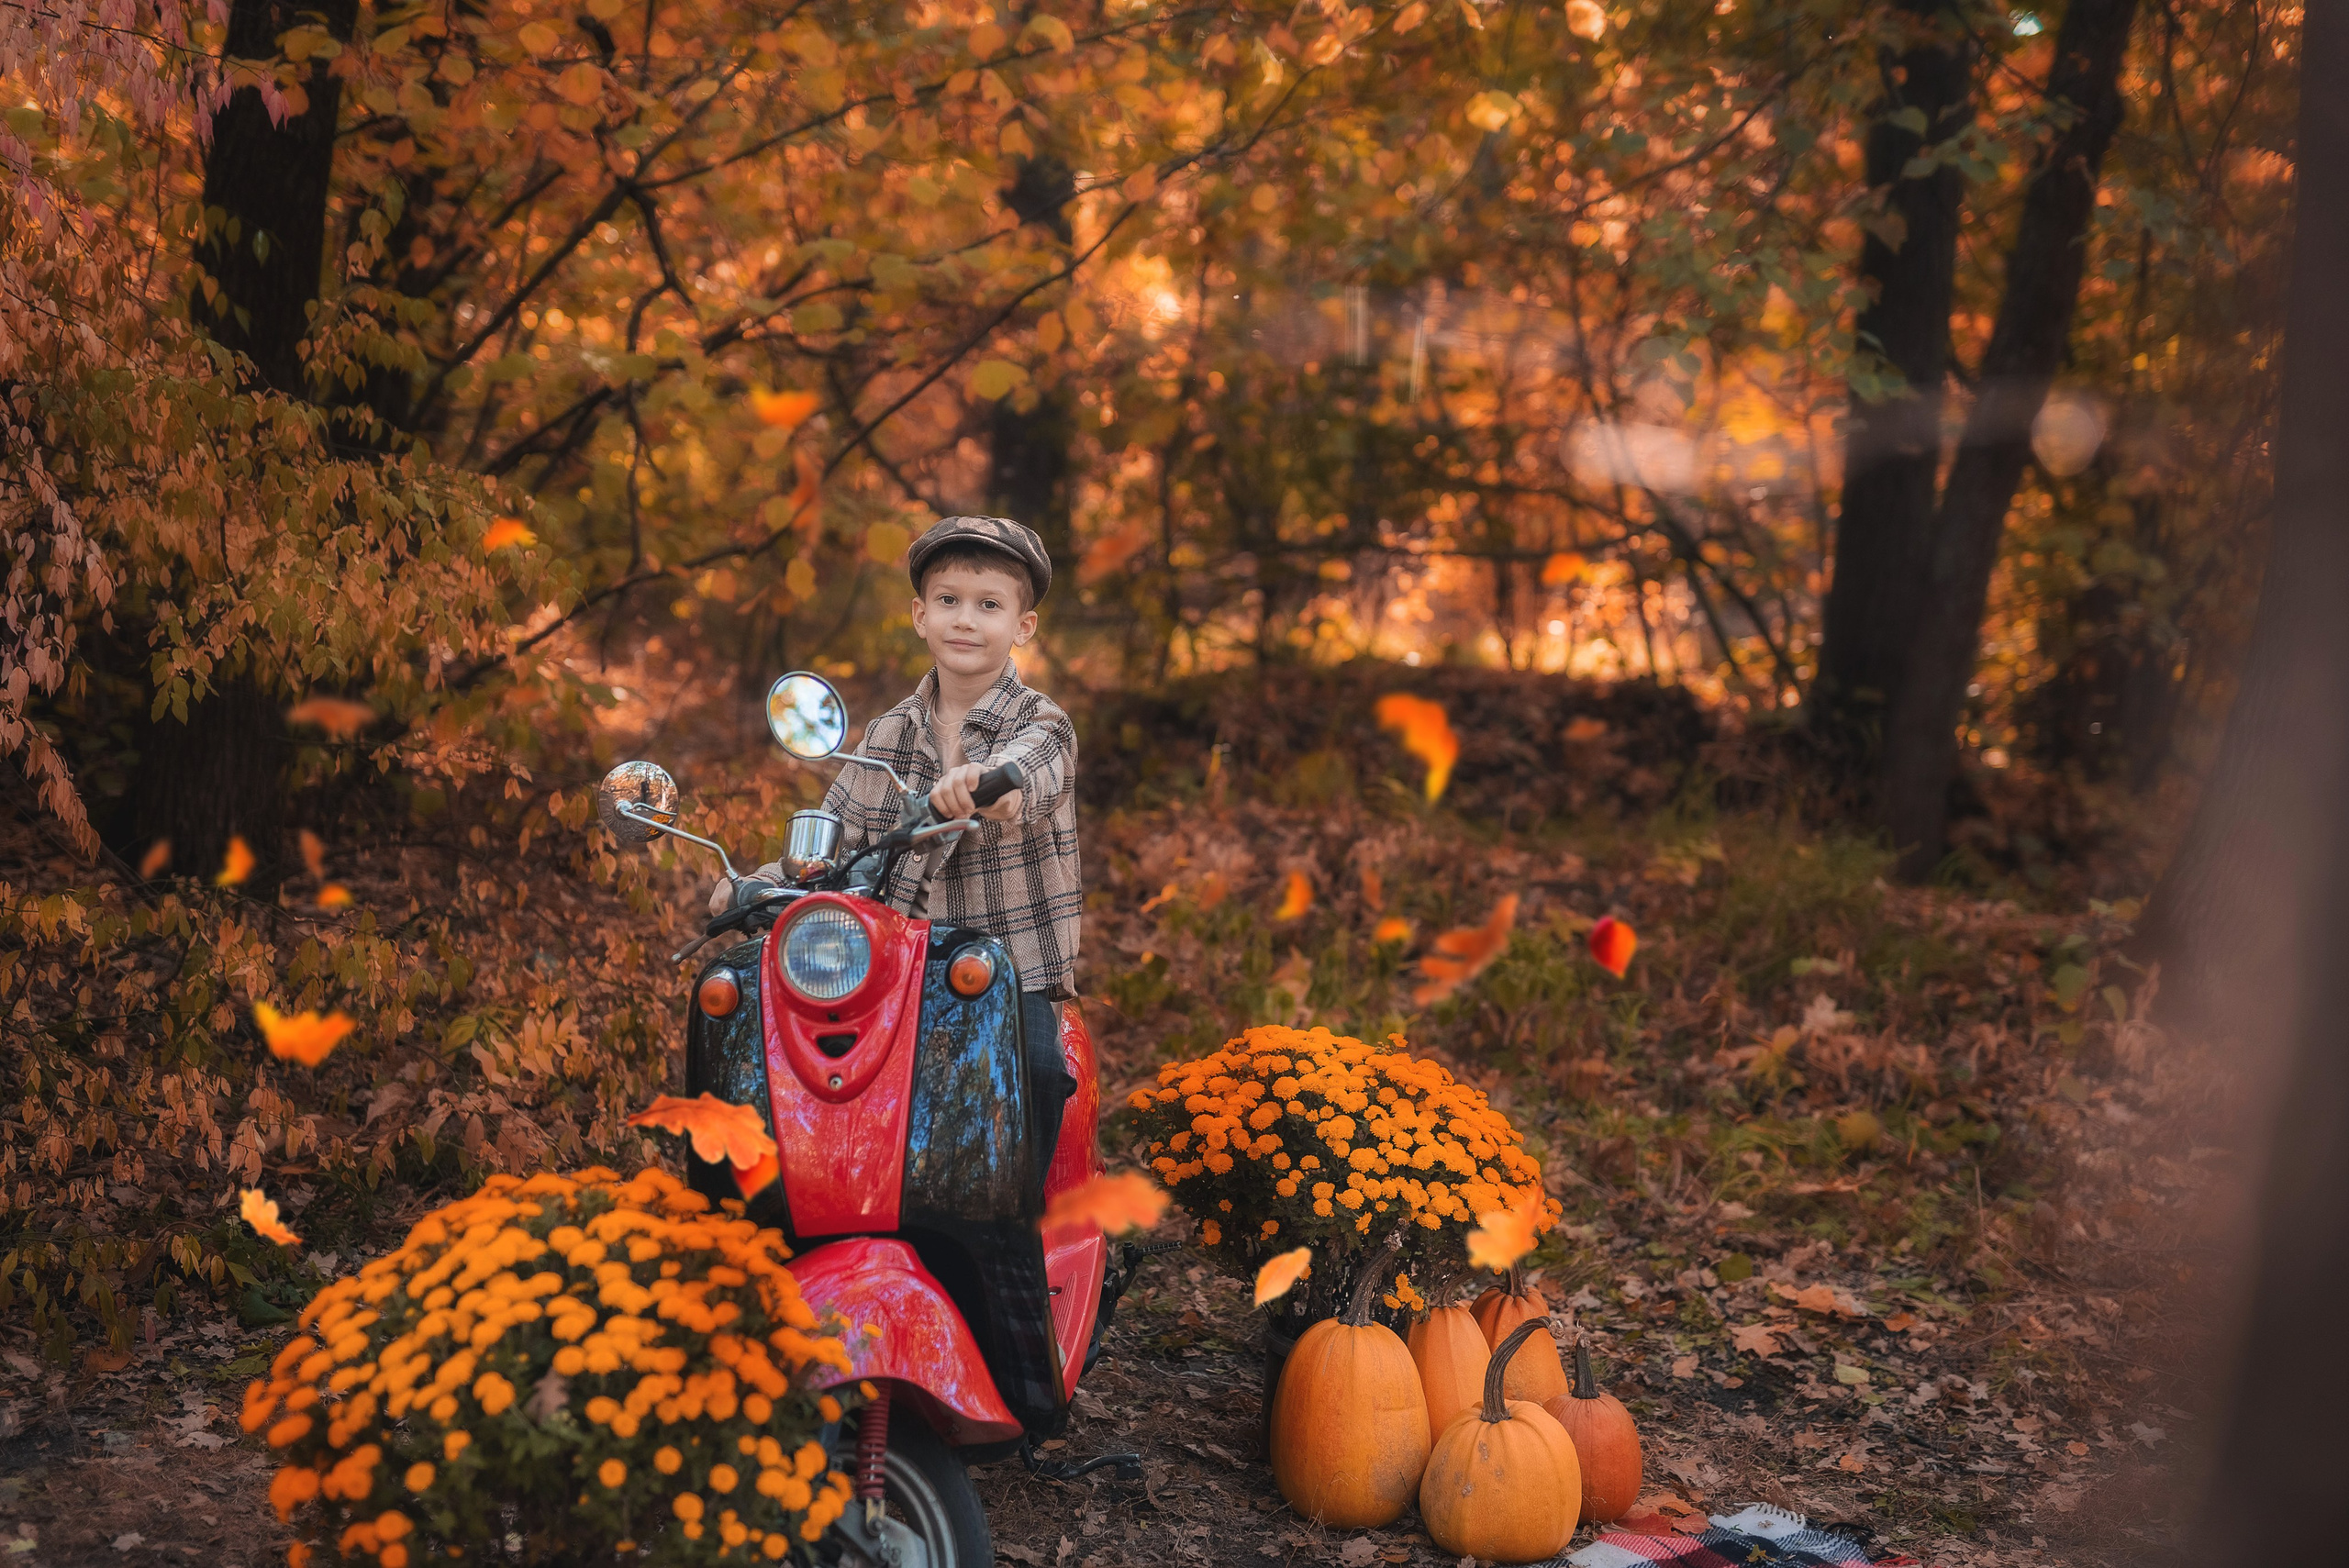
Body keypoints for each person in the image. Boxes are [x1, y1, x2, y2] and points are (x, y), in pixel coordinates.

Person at [718, 514, 1081, 1166]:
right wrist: (756, 883)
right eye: (949, 601)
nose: (965, 619)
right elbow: (836, 845)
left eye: (988, 605)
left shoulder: (1043, 721)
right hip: (900, 976)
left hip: (1012, 977)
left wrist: (983, 784)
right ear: (920, 615)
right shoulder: (887, 734)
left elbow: (1027, 780)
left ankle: (1015, 1255)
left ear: (1022, 626)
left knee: (1037, 1074)